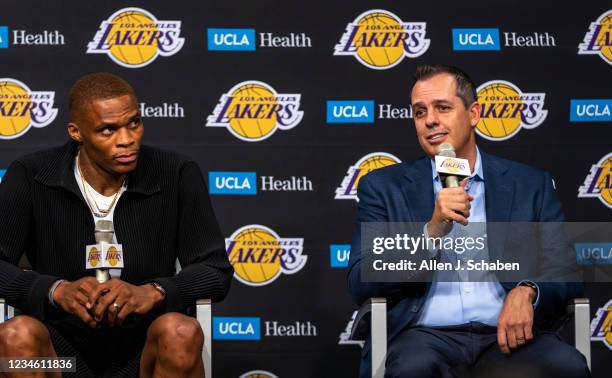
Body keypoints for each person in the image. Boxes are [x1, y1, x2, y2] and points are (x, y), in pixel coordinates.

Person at [347, 65, 589, 378]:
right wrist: (431, 231)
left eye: (442, 108)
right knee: (413, 369)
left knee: (566, 367)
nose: (430, 119)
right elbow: (359, 279)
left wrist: (528, 289)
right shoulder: (383, 187)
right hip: (422, 337)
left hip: (507, 337)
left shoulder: (529, 185)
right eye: (420, 112)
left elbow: (565, 269)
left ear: (473, 113)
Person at [0, 72, 233, 377]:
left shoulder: (175, 173)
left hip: (142, 355)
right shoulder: (31, 175)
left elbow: (215, 271)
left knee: (180, 331)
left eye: (134, 123)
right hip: (61, 360)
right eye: (107, 130)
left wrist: (153, 291)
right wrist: (55, 290)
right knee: (16, 337)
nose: (127, 140)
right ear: (76, 132)